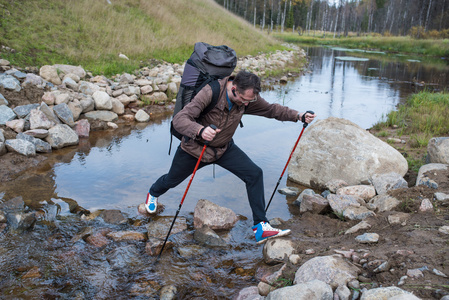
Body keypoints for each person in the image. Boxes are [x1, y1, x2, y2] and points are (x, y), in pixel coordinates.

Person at [145, 70, 315, 244]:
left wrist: (298, 115)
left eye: (250, 100)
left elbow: (271, 110)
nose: (246, 104)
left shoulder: (248, 98)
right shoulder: (210, 93)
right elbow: (179, 119)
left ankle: (261, 227)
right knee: (171, 180)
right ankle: (153, 193)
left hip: (223, 149)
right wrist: (200, 130)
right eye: (244, 99)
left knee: (254, 174)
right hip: (196, 149)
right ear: (234, 89)